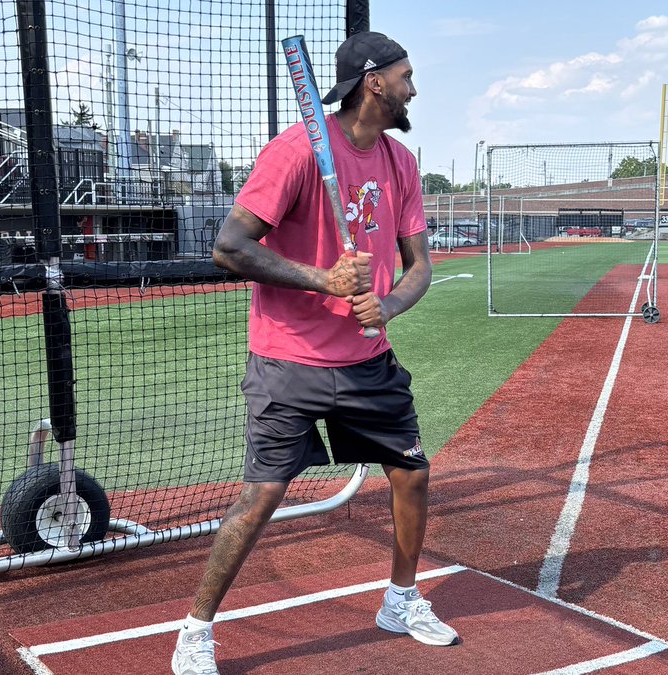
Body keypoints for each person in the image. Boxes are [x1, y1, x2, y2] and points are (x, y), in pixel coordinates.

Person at [171, 31, 458, 675]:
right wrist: (322, 278)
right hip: (288, 361)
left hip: (366, 359)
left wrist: (386, 306)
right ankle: (196, 630)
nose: (415, 88)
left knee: (411, 472)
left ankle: (401, 598)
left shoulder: (399, 162)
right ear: (374, 81)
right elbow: (230, 247)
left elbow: (420, 268)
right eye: (407, 75)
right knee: (262, 495)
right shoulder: (297, 150)